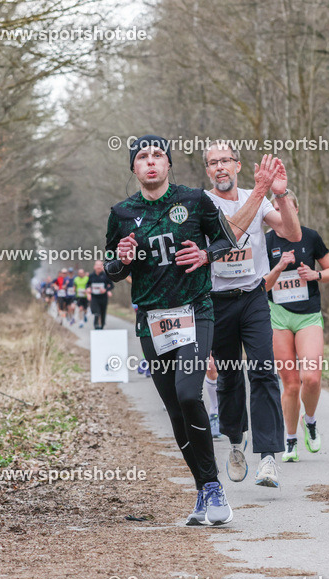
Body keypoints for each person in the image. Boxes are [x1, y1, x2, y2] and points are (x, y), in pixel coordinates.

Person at [104, 134, 237, 525]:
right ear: (133, 167)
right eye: (142, 157)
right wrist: (121, 260)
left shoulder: (195, 200)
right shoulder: (122, 213)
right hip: (152, 320)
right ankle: (202, 488)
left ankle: (213, 487)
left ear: (168, 164)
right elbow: (113, 270)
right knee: (175, 410)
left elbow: (227, 239)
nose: (150, 162)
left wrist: (206, 253)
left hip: (196, 310)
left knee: (187, 392)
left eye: (158, 155)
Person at [203, 142, 296, 489]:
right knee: (228, 375)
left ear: (238, 165)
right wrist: (261, 191)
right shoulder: (203, 203)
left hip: (254, 295)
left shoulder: (258, 196)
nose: (220, 167)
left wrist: (282, 194)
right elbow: (227, 236)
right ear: (208, 171)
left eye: (226, 160)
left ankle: (269, 457)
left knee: (263, 370)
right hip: (218, 299)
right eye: (213, 163)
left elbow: (292, 233)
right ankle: (235, 443)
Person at [263, 193, 329, 461]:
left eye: (284, 206)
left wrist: (315, 275)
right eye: (273, 208)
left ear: (295, 208)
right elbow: (261, 286)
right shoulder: (265, 241)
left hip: (308, 316)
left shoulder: (310, 237)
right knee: (291, 384)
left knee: (312, 378)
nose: (279, 211)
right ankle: (291, 440)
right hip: (278, 316)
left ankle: (311, 420)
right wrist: (280, 267)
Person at [86, 260, 114, 330]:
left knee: (102, 311)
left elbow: (111, 285)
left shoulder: (106, 275)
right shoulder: (91, 276)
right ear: (94, 266)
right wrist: (88, 289)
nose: (98, 267)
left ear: (102, 267)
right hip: (94, 297)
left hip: (103, 297)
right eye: (97, 265)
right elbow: (87, 285)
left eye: (100, 265)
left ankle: (102, 325)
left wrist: (106, 290)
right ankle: (96, 324)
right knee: (96, 311)